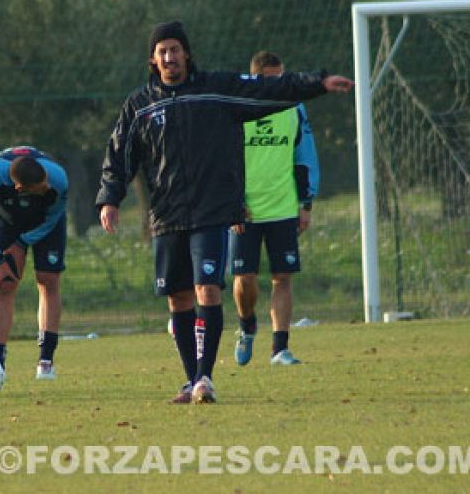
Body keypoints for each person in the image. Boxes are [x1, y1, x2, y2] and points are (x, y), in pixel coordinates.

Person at [96, 21, 353, 404]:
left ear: (187, 54)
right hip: (167, 213)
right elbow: (120, 155)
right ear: (153, 59)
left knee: (208, 289)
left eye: (176, 49)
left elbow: (267, 89)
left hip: (211, 210)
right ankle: (190, 379)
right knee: (179, 299)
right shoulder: (140, 105)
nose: (170, 57)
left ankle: (205, 378)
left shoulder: (214, 90)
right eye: (162, 51)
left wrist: (315, 84)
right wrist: (109, 198)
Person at [231, 51, 319, 367]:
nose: (279, 85)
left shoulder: (295, 108)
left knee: (282, 277)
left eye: (282, 78)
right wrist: (233, 204)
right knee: (245, 279)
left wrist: (305, 203)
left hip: (283, 208)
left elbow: (304, 155)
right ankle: (246, 325)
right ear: (255, 80)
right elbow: (223, 161)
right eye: (272, 80)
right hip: (245, 212)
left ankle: (279, 348)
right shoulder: (237, 109)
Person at [0, 146, 68, 380]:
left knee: (48, 280)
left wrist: (22, 243)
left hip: (45, 222)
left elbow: (53, 217)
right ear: (20, 188)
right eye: (41, 187)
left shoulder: (58, 179)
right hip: (6, 219)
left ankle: (46, 360)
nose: (47, 187)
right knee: (4, 284)